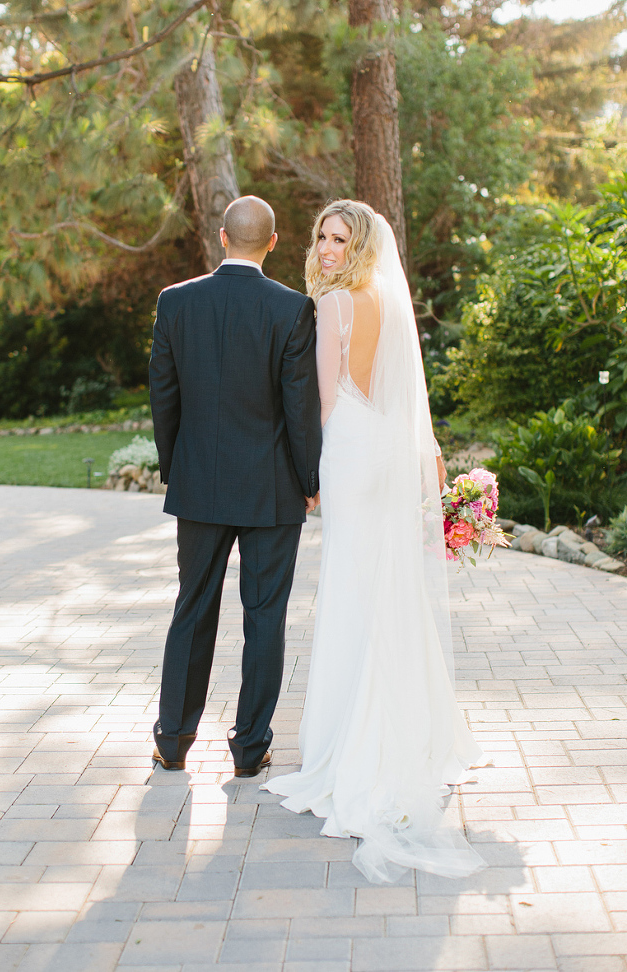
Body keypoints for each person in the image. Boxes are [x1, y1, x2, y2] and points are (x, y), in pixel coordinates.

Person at [262, 200, 487, 883]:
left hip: (351, 451)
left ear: (359, 246)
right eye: (320, 237)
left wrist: (313, 473)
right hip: (386, 449)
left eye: (338, 239)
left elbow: (326, 402)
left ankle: (355, 753)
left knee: (353, 593)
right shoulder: (385, 298)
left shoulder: (332, 307)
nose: (326, 248)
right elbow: (401, 397)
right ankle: (412, 736)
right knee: (387, 587)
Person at [149, 195, 322, 776]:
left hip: (199, 484)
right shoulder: (293, 309)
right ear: (272, 243)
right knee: (265, 616)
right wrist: (310, 480)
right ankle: (250, 749)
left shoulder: (176, 302)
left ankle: (172, 740)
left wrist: (177, 468)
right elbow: (300, 408)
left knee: (191, 609)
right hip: (272, 489)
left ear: (222, 237)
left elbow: (164, 399)